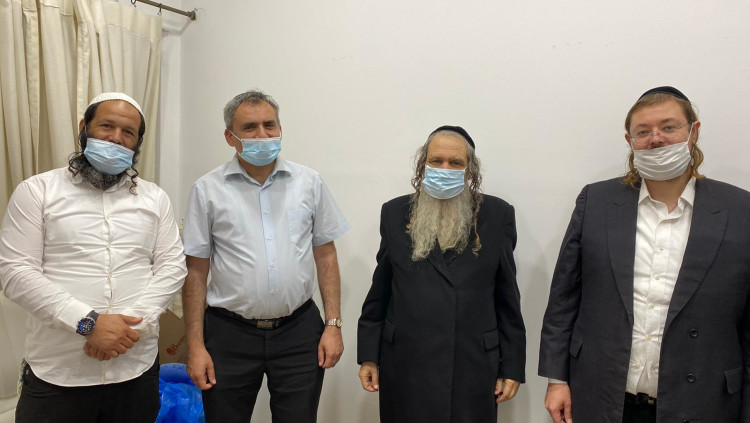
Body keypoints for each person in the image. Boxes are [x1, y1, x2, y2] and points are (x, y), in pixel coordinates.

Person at [539, 86, 750, 423]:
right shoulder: (596, 202)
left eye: (669, 127)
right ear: (630, 140)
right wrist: (557, 379)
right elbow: (564, 298)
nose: (656, 139)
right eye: (643, 131)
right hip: (601, 395)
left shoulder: (740, 210)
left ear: (693, 131)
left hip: (702, 400)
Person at [0, 92, 187, 422]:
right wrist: (88, 323)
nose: (116, 138)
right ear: (84, 128)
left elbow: (172, 266)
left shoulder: (155, 198)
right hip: (58, 373)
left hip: (136, 368)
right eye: (106, 126)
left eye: (128, 132)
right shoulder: (37, 191)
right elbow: (16, 272)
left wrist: (128, 328)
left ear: (137, 143)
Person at [182, 89, 349, 423]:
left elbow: (326, 256)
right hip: (228, 334)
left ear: (280, 128)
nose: (262, 134)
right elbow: (196, 272)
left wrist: (333, 325)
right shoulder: (207, 190)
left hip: (299, 331)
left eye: (269, 125)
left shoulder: (309, 183)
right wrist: (196, 346)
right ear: (230, 137)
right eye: (250, 127)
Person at [357, 126, 526, 423]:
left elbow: (507, 298)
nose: (445, 169)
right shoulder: (395, 212)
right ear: (423, 164)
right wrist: (369, 354)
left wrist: (511, 366)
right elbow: (380, 290)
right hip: (406, 362)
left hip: (472, 363)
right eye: (436, 161)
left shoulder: (498, 215)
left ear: (470, 170)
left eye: (455, 163)